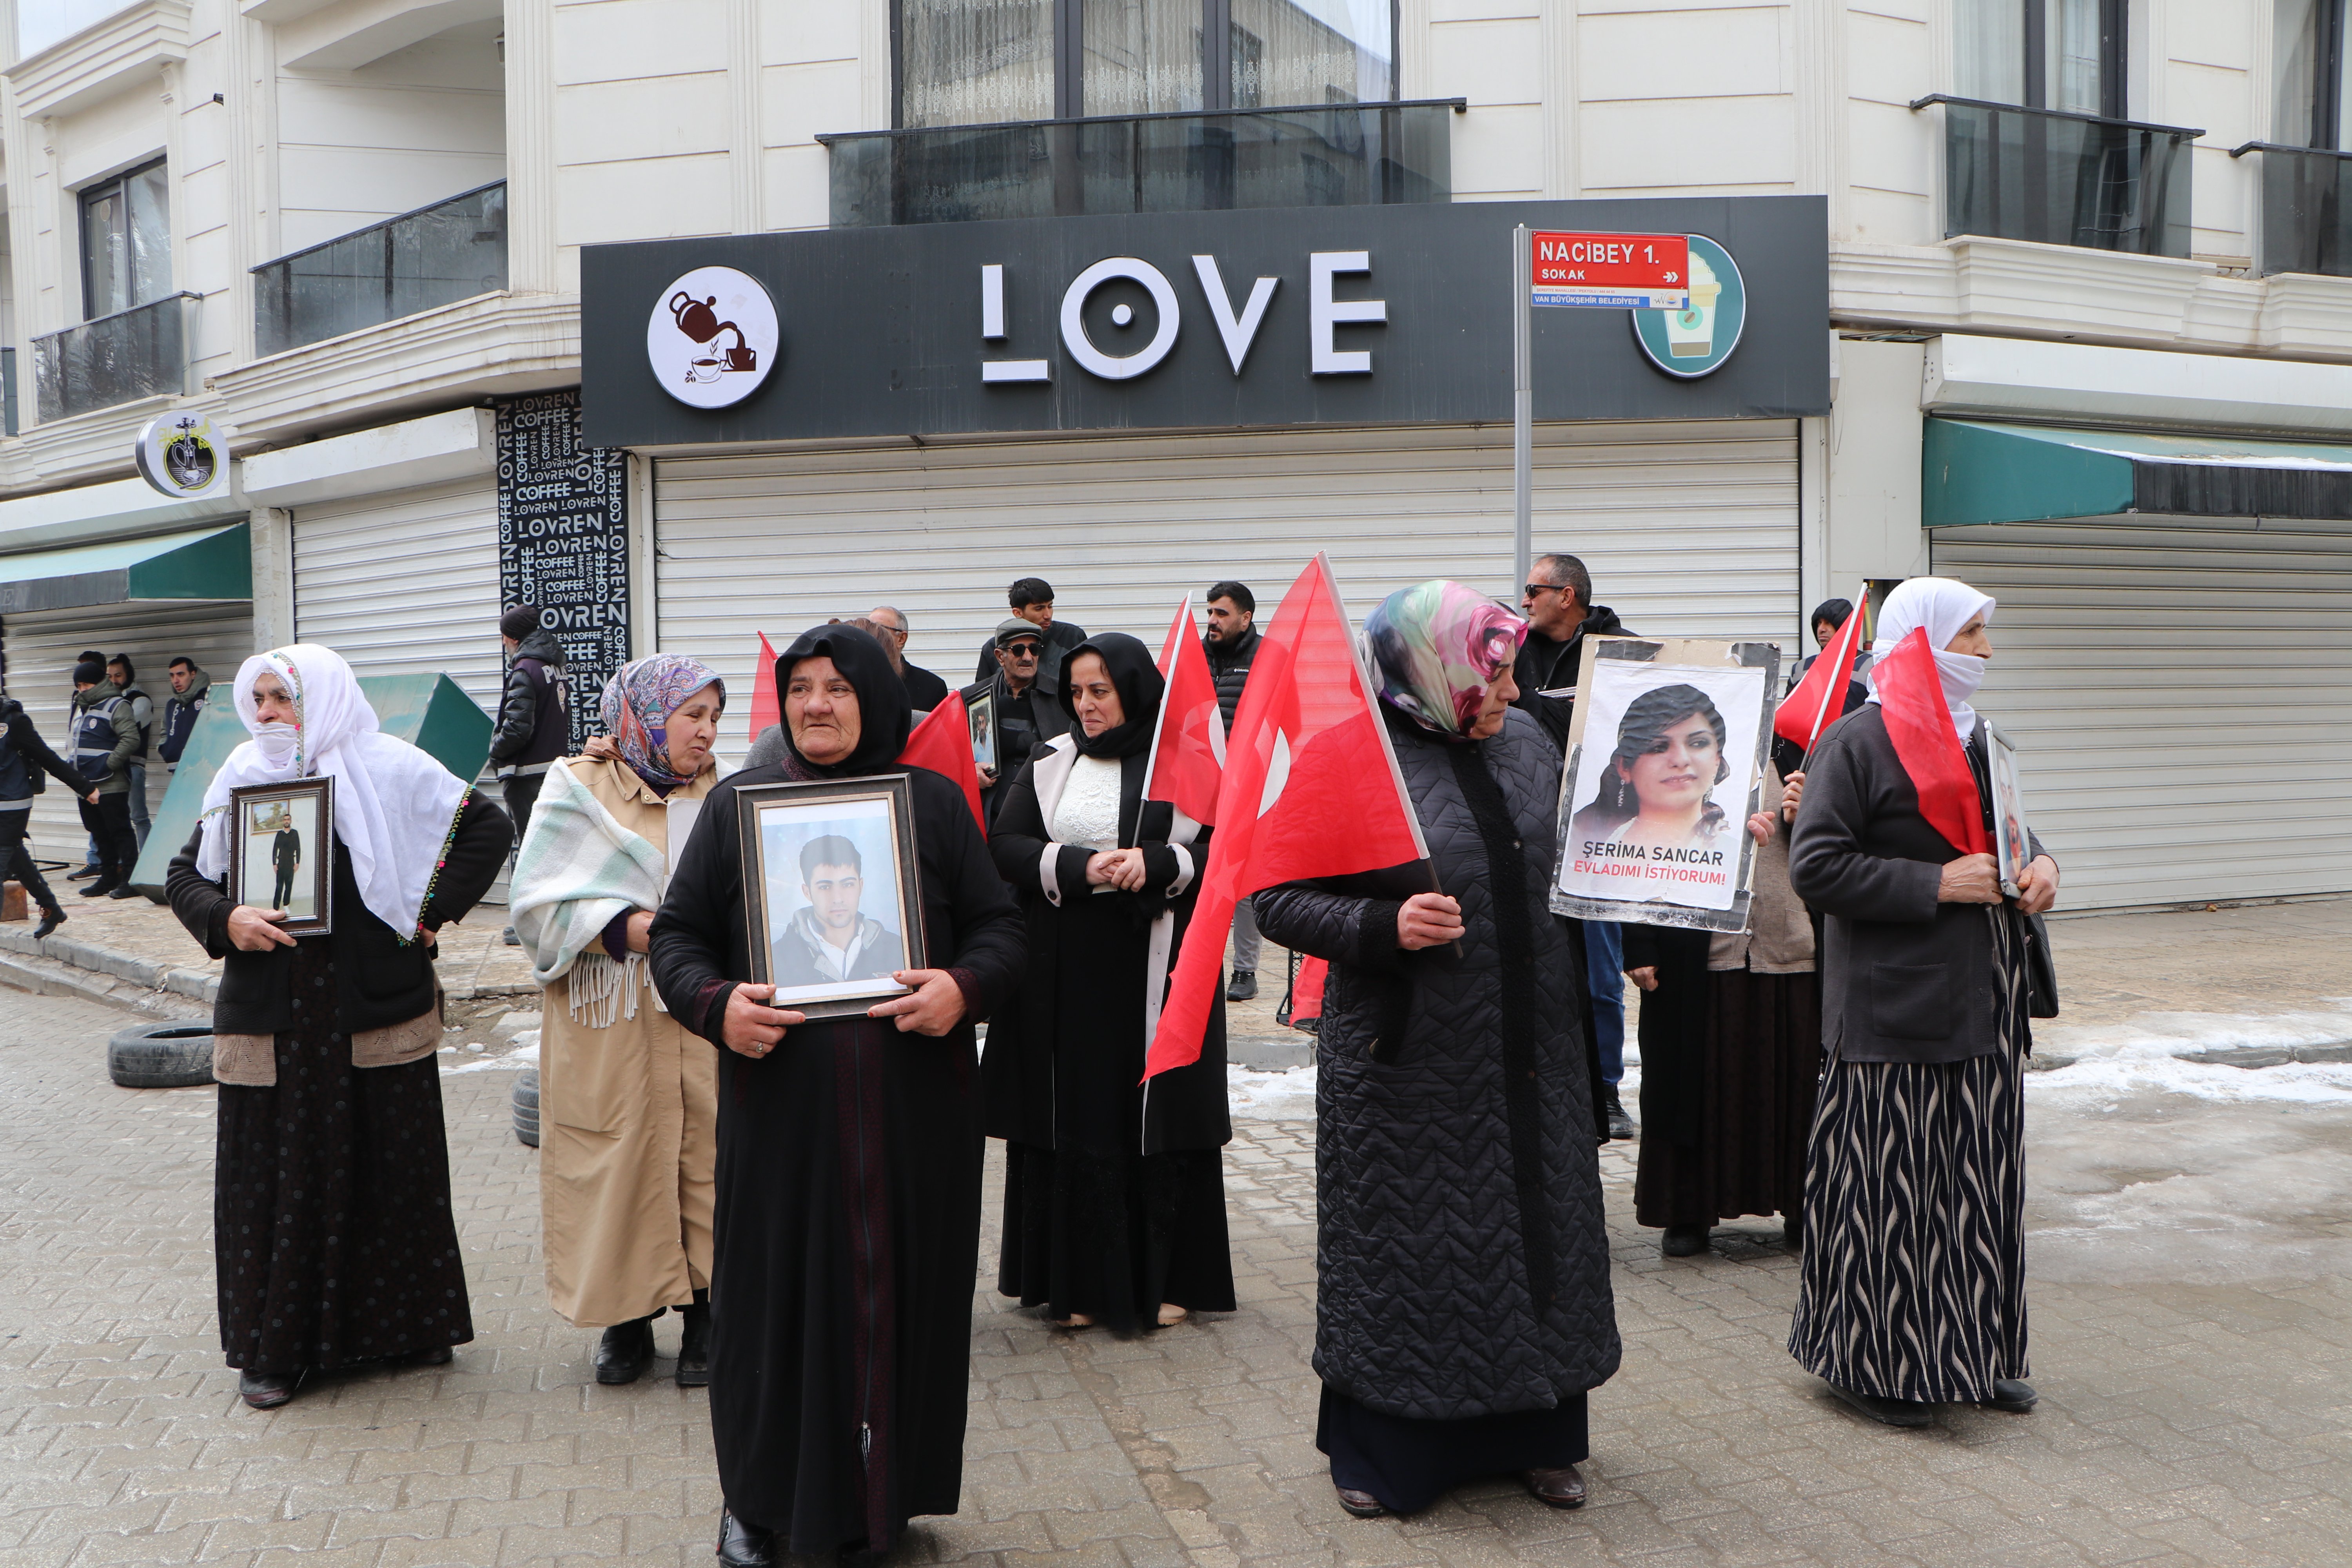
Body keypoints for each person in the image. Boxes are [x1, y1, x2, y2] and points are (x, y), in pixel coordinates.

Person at [648, 624, 1025, 1566]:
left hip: (916, 1119)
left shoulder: (932, 804)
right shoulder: (737, 807)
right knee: (770, 1310)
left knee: (904, 1307)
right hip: (783, 1119)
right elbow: (678, 937)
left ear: (876, 699)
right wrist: (716, 1003)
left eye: (839, 687)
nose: (816, 704)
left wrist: (964, 987)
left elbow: (1002, 929)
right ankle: (757, 1502)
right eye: (800, 687)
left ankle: (885, 1500)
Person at [1255, 581, 1617, 1520]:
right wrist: (1384, 924)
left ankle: (1540, 1437)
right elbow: (1277, 896)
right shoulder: (1351, 755)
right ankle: (1390, 1453)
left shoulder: (1528, 741)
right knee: (1415, 1256)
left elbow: (1594, 848)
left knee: (1540, 1241)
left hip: (1533, 1048)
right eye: (1492, 675)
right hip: (1408, 1062)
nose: (1512, 691)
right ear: (1433, 670)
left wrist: (1693, 839)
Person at [165, 645, 512, 1410]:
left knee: (393, 1171)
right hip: (276, 1020)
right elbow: (184, 876)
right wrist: (227, 917)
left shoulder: (388, 767)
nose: (266, 714)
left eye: (281, 698)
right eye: (257, 699)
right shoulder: (241, 779)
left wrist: (429, 914)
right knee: (276, 1182)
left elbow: (485, 827)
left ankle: (408, 1329)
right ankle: (275, 1350)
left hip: (372, 1011)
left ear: (320, 698)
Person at [1785, 576, 2060, 1429]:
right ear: (1922, 640)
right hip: (1893, 1012)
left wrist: (2043, 863)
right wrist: (1934, 883)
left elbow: (2007, 834)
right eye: (1971, 633)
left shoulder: (1979, 738)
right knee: (1890, 1192)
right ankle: (1871, 1363)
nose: (1986, 650)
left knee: (1978, 1185)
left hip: (1985, 1002)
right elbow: (1816, 867)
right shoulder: (1858, 742)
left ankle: (1974, 1352)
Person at [983, 632, 1235, 1336]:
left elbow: (1225, 848)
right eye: (1077, 693)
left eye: (1101, 691)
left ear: (1134, 690)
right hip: (1066, 975)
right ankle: (1076, 1284)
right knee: (1079, 1114)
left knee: (1155, 1114)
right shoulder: (1052, 759)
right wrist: (1080, 866)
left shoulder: (1185, 761)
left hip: (1159, 968)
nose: (1087, 706)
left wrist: (1161, 863)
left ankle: (1165, 1279)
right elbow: (1006, 845)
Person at [511, 655, 728, 1389]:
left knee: (708, 1155)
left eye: (714, 717)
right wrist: (627, 929)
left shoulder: (725, 795)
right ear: (646, 716)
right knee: (615, 1159)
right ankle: (625, 1319)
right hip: (609, 1016)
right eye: (692, 715)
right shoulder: (578, 787)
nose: (706, 732)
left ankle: (708, 1313)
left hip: (696, 1013)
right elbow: (535, 906)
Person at [1622, 764, 1817, 1258]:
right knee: (1693, 1085)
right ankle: (1688, 1209)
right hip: (1695, 954)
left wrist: (1813, 813)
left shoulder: (1809, 746)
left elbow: (1850, 846)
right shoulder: (1684, 746)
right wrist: (1639, 940)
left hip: (1790, 945)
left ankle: (1803, 1204)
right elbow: (1638, 844)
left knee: (1795, 1085)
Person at [1510, 552, 1637, 1138]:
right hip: (1527, 832)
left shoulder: (1626, 653)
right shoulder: (1511, 650)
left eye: (1533, 590)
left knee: (1602, 974)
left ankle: (1605, 1089)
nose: (1524, 601)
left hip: (1598, 838)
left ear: (1567, 596)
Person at [1568, 684, 1737, 854]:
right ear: (1624, 767)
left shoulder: (1733, 856)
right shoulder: (1581, 848)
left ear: (1717, 760)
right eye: (1658, 748)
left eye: (1698, 743)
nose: (1681, 760)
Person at [1203, 581, 1265, 1002]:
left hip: (1244, 787)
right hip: (1197, 787)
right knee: (1197, 875)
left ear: (1245, 619)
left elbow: (1285, 722)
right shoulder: (1194, 655)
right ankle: (1198, 964)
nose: (1212, 620)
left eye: (1221, 613)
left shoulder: (1266, 657)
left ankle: (1245, 970)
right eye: (1210, 612)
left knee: (1240, 882)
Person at [492, 606, 568, 943]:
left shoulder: (525, 668)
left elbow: (517, 728)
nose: (504, 643)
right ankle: (553, 920)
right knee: (550, 848)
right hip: (553, 770)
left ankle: (531, 926)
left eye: (504, 637)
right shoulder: (554, 665)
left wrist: (495, 751)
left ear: (513, 637)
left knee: (532, 852)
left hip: (526, 775)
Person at [0, 690, 93, 938]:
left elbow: (46, 757)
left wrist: (85, 787)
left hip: (12, 805)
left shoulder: (14, 721)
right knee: (16, 859)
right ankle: (51, 908)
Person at [960, 618, 1071, 824]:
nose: (1028, 657)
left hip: (1046, 813)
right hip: (990, 814)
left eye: (1034, 650)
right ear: (999, 656)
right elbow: (952, 756)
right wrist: (970, 771)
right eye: (1018, 650)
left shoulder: (1065, 697)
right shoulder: (972, 699)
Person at [768, 835, 907, 987]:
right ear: (807, 892)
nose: (838, 898)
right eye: (825, 887)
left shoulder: (900, 950)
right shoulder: (775, 960)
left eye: (848, 885)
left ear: (861, 886)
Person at [67, 657, 142, 897]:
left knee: (120, 832)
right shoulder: (81, 706)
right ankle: (108, 878)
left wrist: (108, 764)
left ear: (99, 682)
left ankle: (130, 880)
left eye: (86, 685)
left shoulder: (117, 705)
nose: (82, 689)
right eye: (79, 686)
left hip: (111, 784)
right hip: (85, 784)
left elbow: (131, 739)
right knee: (98, 833)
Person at [969, 576, 1086, 692]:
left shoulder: (1073, 637)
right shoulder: (993, 648)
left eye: (1050, 606)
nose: (1048, 615)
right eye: (1039, 609)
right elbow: (982, 695)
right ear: (1018, 613)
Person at [108, 655, 155, 853]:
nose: (114, 680)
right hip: (112, 767)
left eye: (118, 675)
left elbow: (121, 730)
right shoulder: (108, 700)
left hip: (133, 765)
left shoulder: (140, 700)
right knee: (113, 817)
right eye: (110, 676)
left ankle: (146, 861)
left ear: (129, 675)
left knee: (139, 817)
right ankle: (121, 862)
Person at [867, 605, 948, 712]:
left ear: (901, 639)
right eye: (867, 629)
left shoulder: (931, 687)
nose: (870, 635)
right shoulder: (853, 679)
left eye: (880, 629)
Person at [160, 657, 211, 770]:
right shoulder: (171, 704)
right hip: (175, 769)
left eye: (181, 675)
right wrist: (165, 749)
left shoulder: (209, 698)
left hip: (202, 769)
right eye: (172, 676)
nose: (176, 680)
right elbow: (164, 732)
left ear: (193, 675)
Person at [269, 817, 303, 909]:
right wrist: (274, 864)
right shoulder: (280, 834)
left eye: (288, 819)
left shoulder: (295, 833)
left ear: (291, 821)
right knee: (279, 886)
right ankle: (276, 908)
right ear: (283, 821)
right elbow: (275, 849)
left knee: (289, 886)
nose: (287, 821)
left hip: (291, 863)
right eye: (285, 820)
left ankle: (286, 905)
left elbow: (298, 849)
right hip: (281, 864)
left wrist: (297, 863)